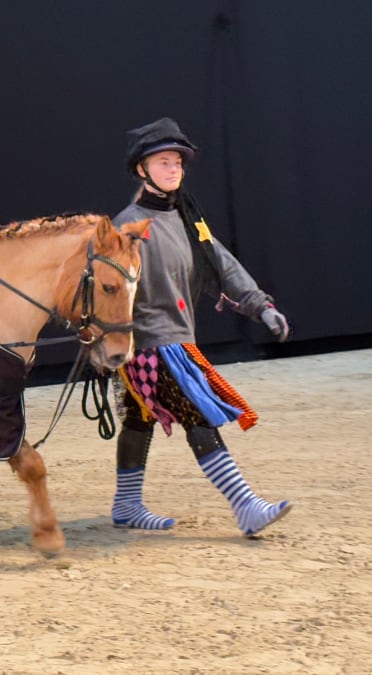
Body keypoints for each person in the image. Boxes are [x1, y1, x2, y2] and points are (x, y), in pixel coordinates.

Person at [110, 117, 292, 536]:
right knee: (198, 414)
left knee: (139, 420)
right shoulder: (125, 227)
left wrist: (260, 305)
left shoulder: (187, 219)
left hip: (175, 337)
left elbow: (221, 264)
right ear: (142, 170)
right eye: (163, 162)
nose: (173, 169)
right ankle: (245, 506)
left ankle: (125, 504)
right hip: (151, 345)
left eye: (177, 162)